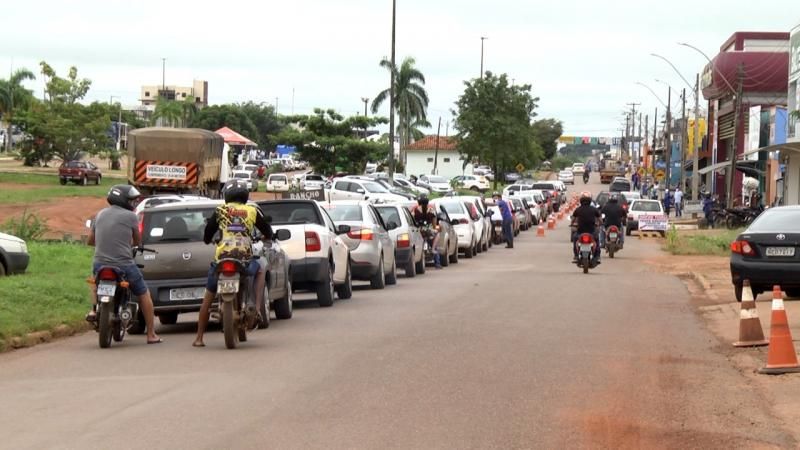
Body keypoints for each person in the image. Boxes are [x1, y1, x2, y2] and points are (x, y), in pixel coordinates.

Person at [193, 180, 273, 348]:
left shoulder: (220, 210)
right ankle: (257, 308)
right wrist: (266, 237)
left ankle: (199, 337)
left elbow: (208, 234)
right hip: (243, 259)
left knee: (208, 297)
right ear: (245, 196)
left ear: (226, 196)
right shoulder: (251, 210)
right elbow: (267, 231)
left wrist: (209, 240)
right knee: (260, 269)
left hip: (222, 259)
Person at [86, 185, 162, 345]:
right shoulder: (131, 217)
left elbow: (90, 241)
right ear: (124, 200)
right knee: (143, 294)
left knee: (94, 282)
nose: (133, 203)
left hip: (99, 263)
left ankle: (93, 309)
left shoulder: (99, 215)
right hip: (124, 264)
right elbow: (137, 240)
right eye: (131, 200)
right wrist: (131, 244)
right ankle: (151, 334)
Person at [411, 194, 442, 268]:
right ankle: (437, 262)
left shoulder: (414, 210)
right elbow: (434, 223)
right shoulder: (431, 210)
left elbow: (412, 221)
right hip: (429, 231)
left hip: (418, 232)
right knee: (435, 243)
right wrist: (434, 228)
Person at [571, 193, 601, 264]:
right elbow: (599, 218)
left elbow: (573, 218)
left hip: (580, 232)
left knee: (575, 240)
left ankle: (576, 256)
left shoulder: (578, 209)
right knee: (596, 241)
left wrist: (572, 224)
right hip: (592, 231)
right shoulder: (594, 209)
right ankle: (597, 256)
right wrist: (600, 223)